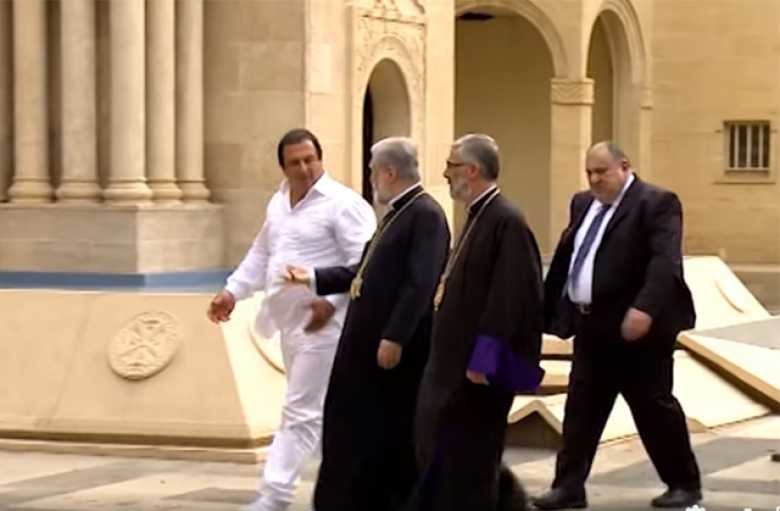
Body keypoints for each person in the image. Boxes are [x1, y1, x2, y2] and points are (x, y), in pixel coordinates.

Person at [206, 128, 377, 511]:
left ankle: (274, 495)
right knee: (321, 411)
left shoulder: (343, 204)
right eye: (294, 163)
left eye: (309, 159)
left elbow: (364, 264)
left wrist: (330, 302)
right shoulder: (279, 202)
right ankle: (353, 488)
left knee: (300, 410)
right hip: (289, 325)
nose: (303, 169)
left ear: (320, 158)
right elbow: (262, 252)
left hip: (326, 326)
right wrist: (232, 291)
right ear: (283, 167)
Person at [531, 141, 702, 510]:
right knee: (580, 408)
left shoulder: (656, 203)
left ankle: (683, 483)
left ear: (624, 167)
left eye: (602, 172)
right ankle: (568, 487)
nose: (594, 180)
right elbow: (570, 256)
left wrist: (645, 308)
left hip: (637, 330)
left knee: (653, 407)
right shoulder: (582, 204)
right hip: (590, 326)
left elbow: (665, 262)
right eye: (589, 172)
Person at [285, 136, 451, 511]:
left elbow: (420, 283)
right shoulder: (396, 214)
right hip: (365, 350)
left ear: (389, 172)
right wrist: (313, 277)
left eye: (373, 171)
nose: (371, 178)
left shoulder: (425, 215)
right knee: (350, 429)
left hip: (391, 354)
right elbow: (363, 274)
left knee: (385, 436)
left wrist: (395, 336)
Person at [406, 133, 545, 511]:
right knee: (448, 456)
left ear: (472, 170)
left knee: (472, 460)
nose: (446, 174)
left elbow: (510, 297)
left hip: (476, 373)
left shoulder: (506, 220)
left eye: (451, 166)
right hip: (452, 367)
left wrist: (485, 359)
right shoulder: (477, 216)